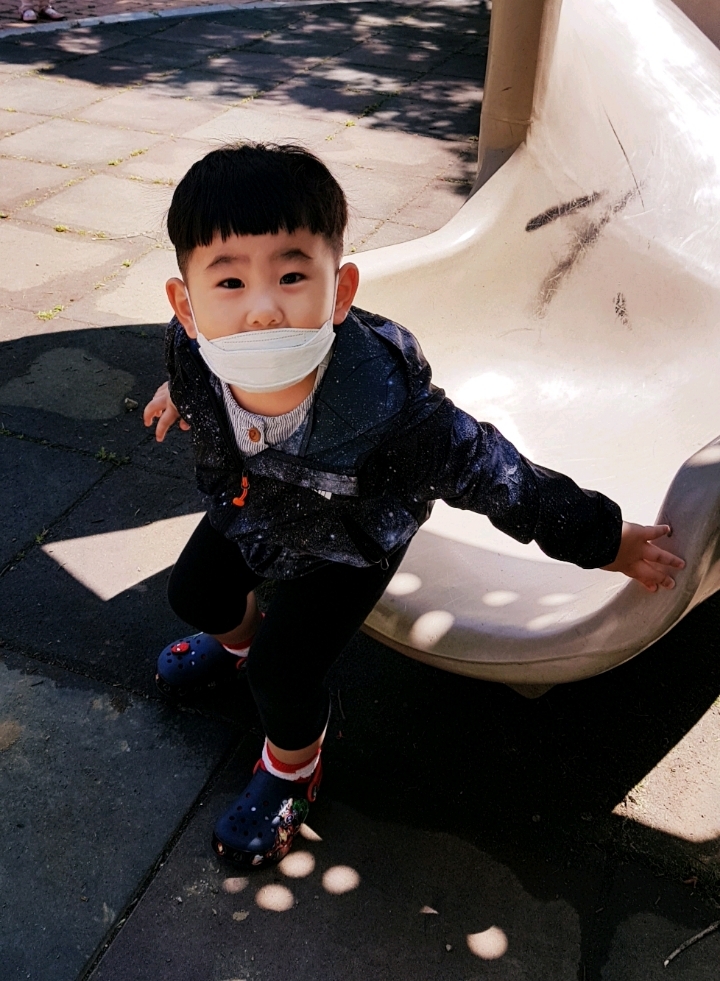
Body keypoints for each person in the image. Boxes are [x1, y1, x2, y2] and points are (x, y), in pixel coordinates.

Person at [144, 142, 684, 868]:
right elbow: (194, 366)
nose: (263, 308)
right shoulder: (193, 349)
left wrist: (604, 539)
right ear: (187, 305)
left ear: (339, 291)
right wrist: (181, 392)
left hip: (349, 541)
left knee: (285, 674)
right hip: (255, 508)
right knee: (195, 593)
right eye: (230, 281)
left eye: (292, 275)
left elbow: (498, 474)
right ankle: (238, 645)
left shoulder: (390, 409)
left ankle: (292, 765)